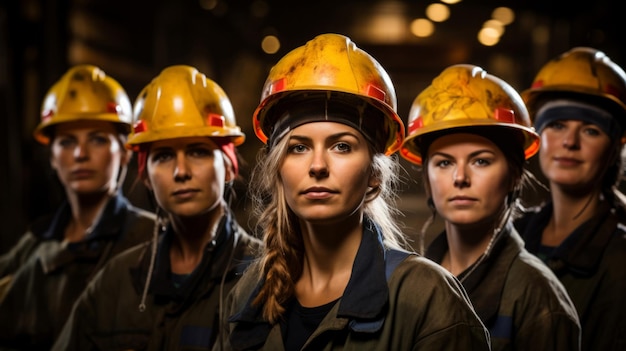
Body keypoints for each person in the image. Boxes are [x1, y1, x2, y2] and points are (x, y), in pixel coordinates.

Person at [213, 33, 490, 351]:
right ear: (278, 170)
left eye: (342, 146)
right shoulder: (250, 293)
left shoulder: (426, 297)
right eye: (299, 147)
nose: (317, 165)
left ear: (374, 174)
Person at [51, 65, 263, 350]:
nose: (181, 171)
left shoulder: (264, 276)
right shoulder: (116, 282)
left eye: (198, 151)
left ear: (227, 167)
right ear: (146, 177)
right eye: (163, 156)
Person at [399, 64, 581, 350]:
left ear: (514, 175)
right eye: (444, 163)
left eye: (481, 161)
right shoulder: (411, 280)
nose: (460, 178)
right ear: (427, 179)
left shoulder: (539, 301)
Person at [0, 64, 156, 350]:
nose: (80, 154)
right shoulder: (34, 246)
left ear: (124, 152)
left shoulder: (152, 239)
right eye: (67, 142)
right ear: (52, 157)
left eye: (97, 139)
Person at [514, 47, 626, 351]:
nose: (569, 142)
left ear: (616, 146)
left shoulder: (620, 257)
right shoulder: (515, 234)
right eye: (557, 125)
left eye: (590, 130)